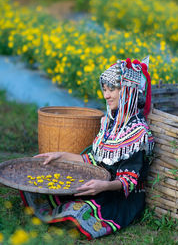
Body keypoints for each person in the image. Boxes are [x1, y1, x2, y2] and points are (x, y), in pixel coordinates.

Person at [20, 57, 154, 240]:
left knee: (79, 210)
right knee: (39, 186)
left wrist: (104, 186)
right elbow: (92, 159)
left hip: (119, 196)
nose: (106, 95)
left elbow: (128, 181)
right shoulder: (109, 123)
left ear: (128, 90)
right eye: (105, 90)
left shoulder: (138, 133)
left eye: (112, 89)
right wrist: (60, 156)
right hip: (97, 182)